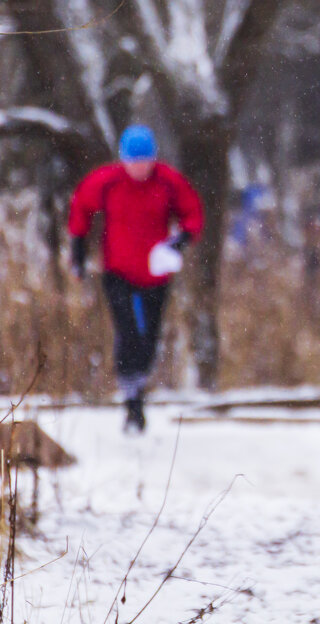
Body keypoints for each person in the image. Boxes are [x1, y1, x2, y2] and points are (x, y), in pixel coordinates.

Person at [68, 125, 203, 432]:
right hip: (117, 271)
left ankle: (139, 385)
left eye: (145, 162)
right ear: (123, 160)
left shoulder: (167, 182)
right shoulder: (108, 181)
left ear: (154, 159)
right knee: (127, 332)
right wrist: (77, 253)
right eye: (134, 162)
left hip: (156, 273)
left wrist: (179, 241)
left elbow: (193, 213)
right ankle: (132, 404)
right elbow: (80, 208)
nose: (140, 168)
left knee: (149, 339)